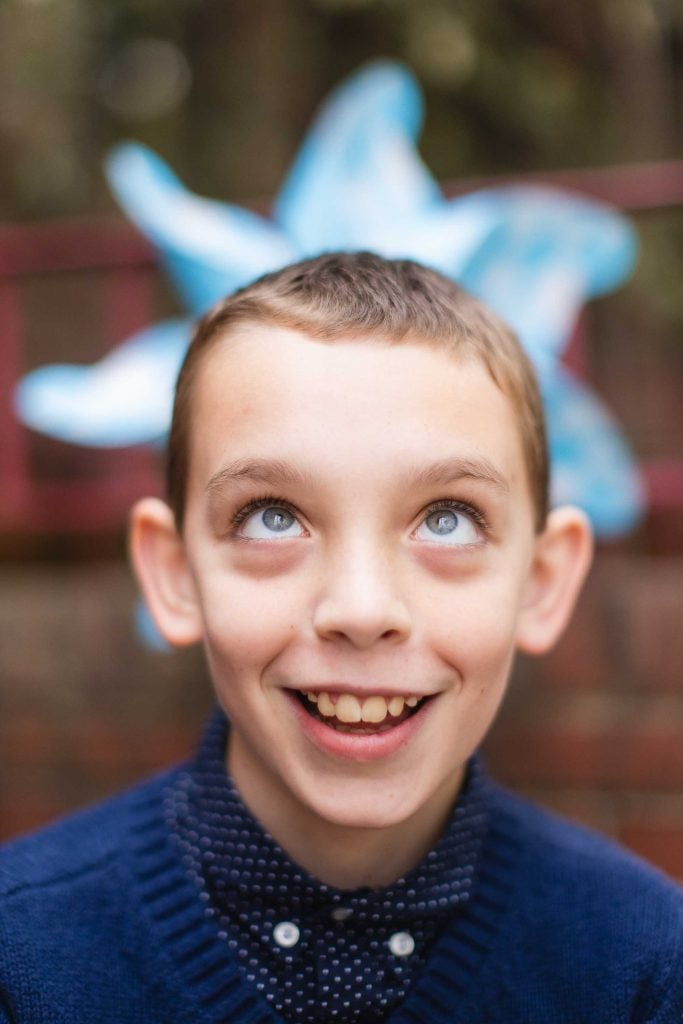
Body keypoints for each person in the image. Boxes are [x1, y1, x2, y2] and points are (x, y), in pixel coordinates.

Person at [0, 252, 680, 1023]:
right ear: (175, 573)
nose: (360, 609)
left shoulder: (644, 965)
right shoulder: (19, 955)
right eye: (272, 517)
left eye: (447, 520)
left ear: (541, 582)